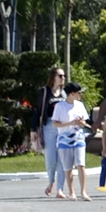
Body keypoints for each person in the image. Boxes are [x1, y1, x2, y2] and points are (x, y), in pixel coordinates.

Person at [50, 82, 91, 201]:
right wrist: (70, 123)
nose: (80, 95)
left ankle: (83, 192)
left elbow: (85, 122)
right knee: (68, 167)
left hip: (78, 138)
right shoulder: (60, 106)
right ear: (71, 94)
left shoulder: (80, 105)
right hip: (64, 140)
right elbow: (55, 123)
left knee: (81, 164)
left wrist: (82, 123)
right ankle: (72, 192)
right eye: (79, 93)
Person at [33, 66, 67, 197]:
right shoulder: (45, 92)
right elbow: (37, 111)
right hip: (49, 126)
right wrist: (33, 129)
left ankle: (60, 189)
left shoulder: (64, 93)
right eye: (60, 76)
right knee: (51, 159)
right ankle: (51, 181)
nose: (63, 78)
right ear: (53, 77)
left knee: (62, 159)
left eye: (64, 76)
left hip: (63, 127)